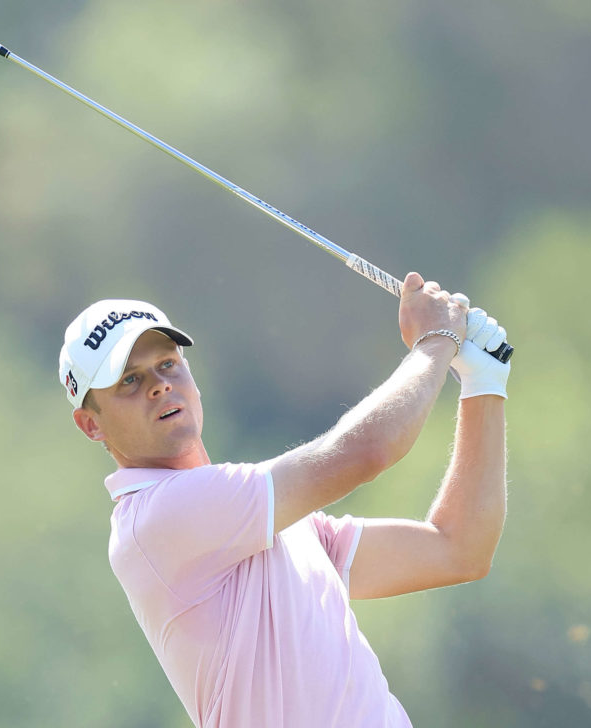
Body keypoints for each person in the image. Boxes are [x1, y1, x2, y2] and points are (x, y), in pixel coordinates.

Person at [58, 272, 510, 727]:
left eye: (168, 364)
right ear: (91, 424)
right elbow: (365, 451)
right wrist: (437, 341)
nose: (159, 385)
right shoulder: (157, 519)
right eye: (129, 381)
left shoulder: (275, 522)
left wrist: (483, 384)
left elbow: (458, 550)